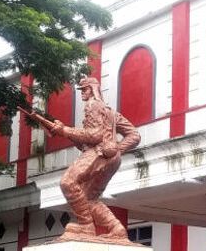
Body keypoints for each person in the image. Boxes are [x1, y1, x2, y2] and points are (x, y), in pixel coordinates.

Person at [30, 76, 141, 242]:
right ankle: (116, 228)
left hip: (98, 154)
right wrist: (116, 149)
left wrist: (65, 130)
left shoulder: (92, 105)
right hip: (110, 158)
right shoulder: (111, 112)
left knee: (67, 182)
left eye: (85, 89)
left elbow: (94, 135)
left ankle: (86, 226)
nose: (82, 93)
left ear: (93, 90)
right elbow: (134, 135)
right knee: (89, 198)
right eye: (81, 90)